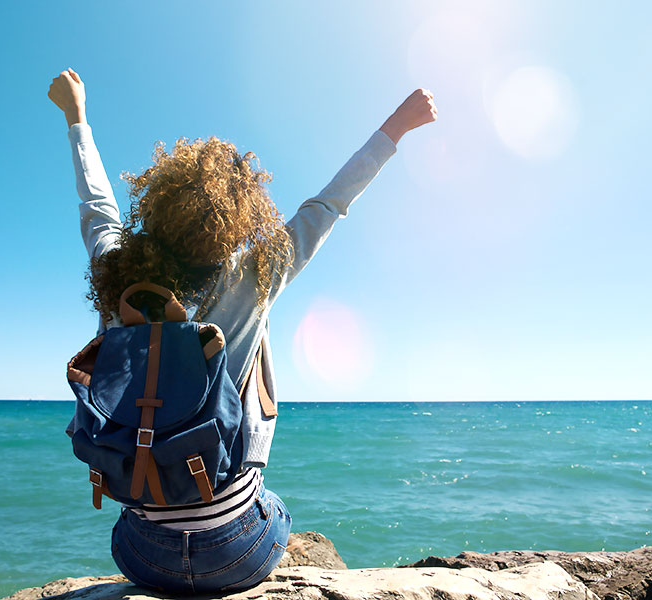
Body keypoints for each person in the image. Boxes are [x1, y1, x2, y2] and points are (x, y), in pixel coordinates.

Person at [48, 67, 437, 593]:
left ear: (156, 204)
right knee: (273, 504)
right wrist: (395, 129)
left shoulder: (116, 269)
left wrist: (77, 118)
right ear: (238, 216)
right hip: (236, 553)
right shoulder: (257, 273)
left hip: (140, 554)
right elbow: (327, 206)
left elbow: (97, 206)